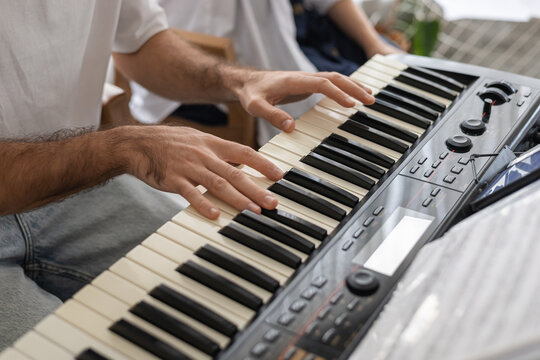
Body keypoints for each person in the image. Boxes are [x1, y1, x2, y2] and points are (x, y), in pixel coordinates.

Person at [0, 0, 374, 350]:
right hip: (67, 169)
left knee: (260, 285)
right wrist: (125, 146)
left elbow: (141, 42)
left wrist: (239, 81)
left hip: (74, 183)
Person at [129, 0, 403, 145]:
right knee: (362, 115)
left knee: (389, 85)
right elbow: (137, 41)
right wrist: (246, 80)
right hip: (227, 66)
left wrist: (375, 44)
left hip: (296, 34)